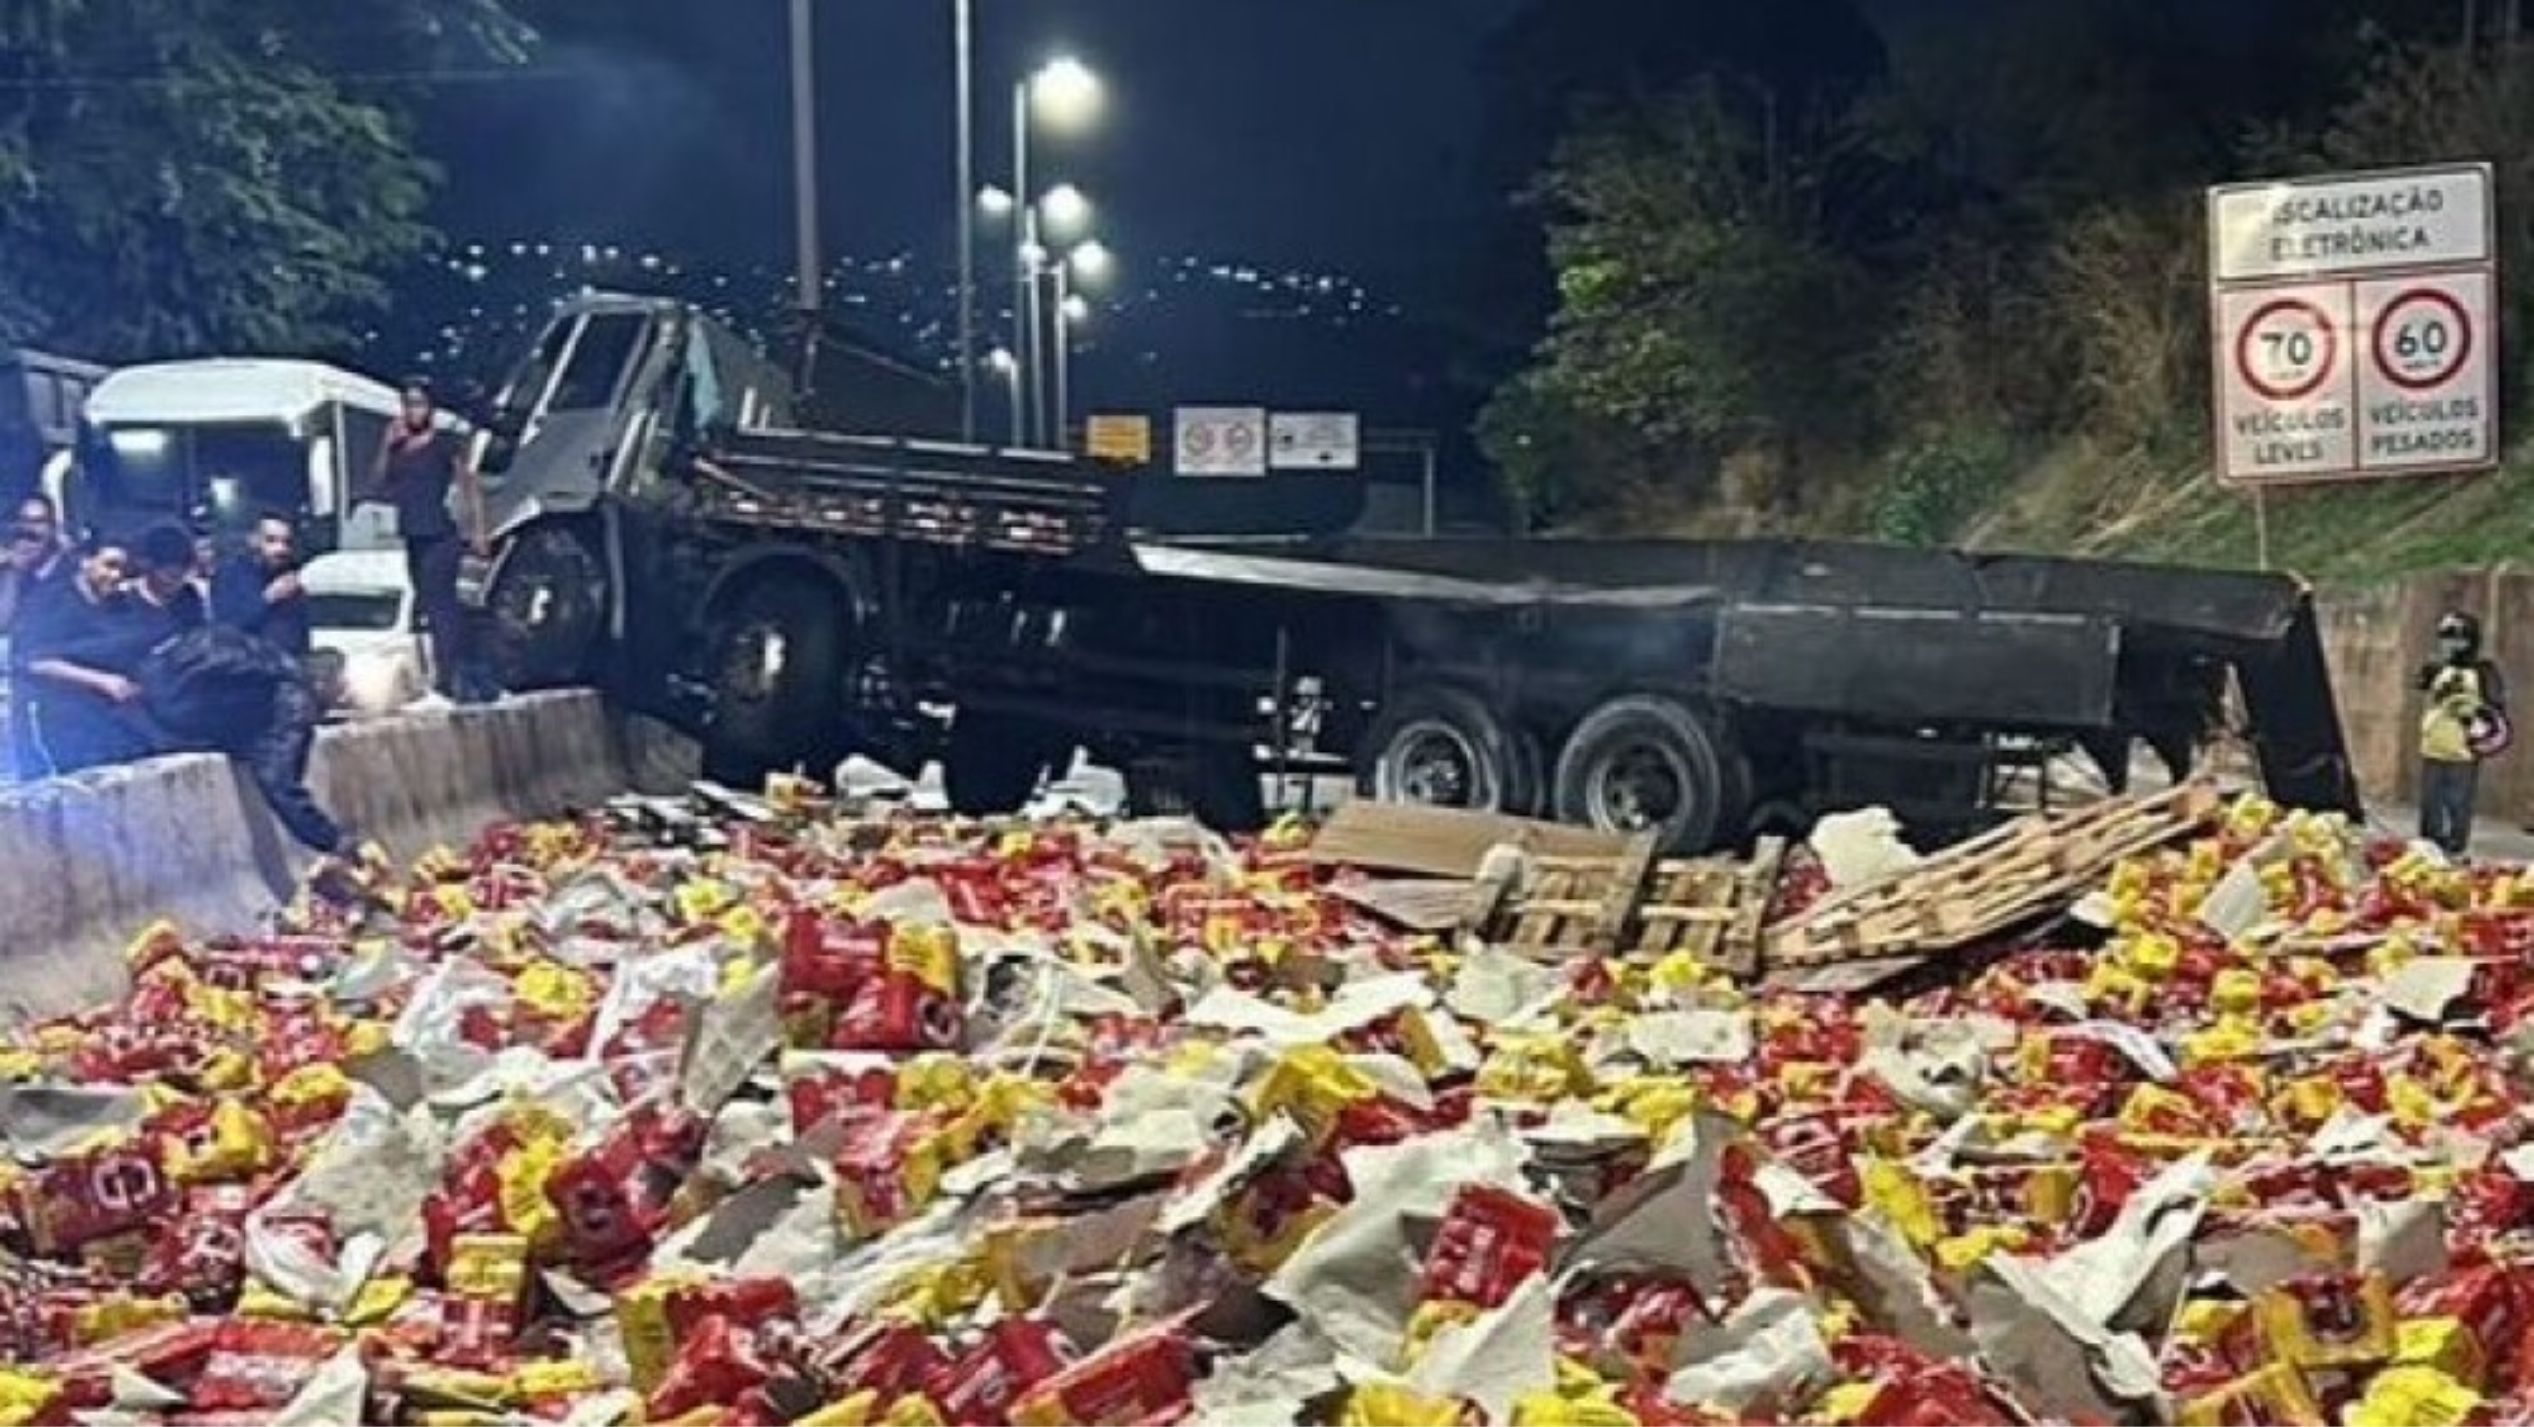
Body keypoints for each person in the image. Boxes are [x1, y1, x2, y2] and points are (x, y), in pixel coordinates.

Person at [13, 529, 192, 776]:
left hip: (113, 717)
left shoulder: (120, 605)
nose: (115, 576)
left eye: (122, 570)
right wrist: (102, 681)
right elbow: (33, 660)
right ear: (86, 561)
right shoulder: (52, 601)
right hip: (64, 715)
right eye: (109, 566)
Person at [375, 379, 489, 704]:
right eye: (408, 404)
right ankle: (443, 673)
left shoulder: (444, 444)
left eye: (419, 404)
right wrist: (386, 444)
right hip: (413, 533)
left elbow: (469, 485)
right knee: (425, 601)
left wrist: (478, 530)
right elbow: (379, 481)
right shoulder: (399, 447)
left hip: (441, 533)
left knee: (442, 604)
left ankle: (449, 678)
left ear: (431, 409)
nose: (413, 411)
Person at [2416, 609, 2507, 858]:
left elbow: (2495, 709)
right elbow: (2423, 687)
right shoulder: (2436, 667)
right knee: (2430, 802)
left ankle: (2455, 846)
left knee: (2457, 803)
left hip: (2463, 749)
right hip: (2433, 744)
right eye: (2447, 638)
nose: (2452, 645)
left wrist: (2474, 715)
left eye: (2459, 638)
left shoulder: (2482, 671)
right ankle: (2429, 846)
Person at [209, 513, 311, 660]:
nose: (280, 549)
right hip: (245, 667)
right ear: (253, 540)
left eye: (286, 542)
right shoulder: (231, 575)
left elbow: (301, 635)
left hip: (286, 668)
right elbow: (228, 626)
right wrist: (268, 597)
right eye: (271, 540)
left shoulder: (289, 579)